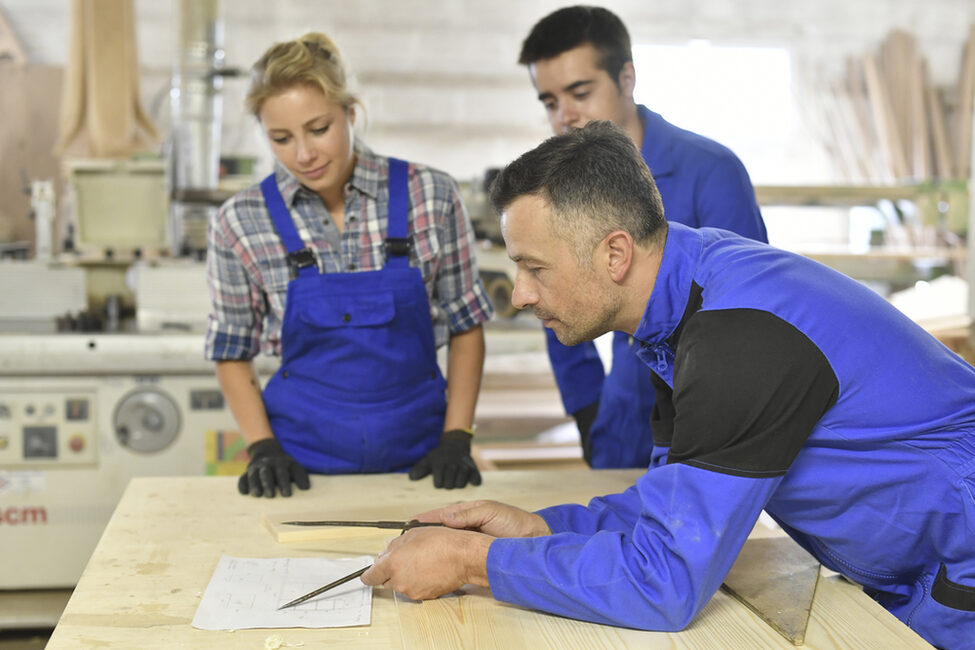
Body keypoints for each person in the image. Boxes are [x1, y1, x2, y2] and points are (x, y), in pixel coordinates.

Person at [360, 123, 975, 650]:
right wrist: (543, 530)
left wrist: (474, 561)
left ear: (615, 254)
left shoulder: (736, 340)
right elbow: (672, 507)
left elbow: (668, 583)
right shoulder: (680, 304)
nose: (518, 294)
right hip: (913, 571)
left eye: (534, 267)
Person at [205, 33, 494, 496]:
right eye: (281, 138)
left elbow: (466, 325)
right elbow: (231, 349)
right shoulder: (240, 221)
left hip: (423, 467)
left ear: (351, 114)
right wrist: (262, 448)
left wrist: (458, 437)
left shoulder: (431, 195)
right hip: (299, 472)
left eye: (319, 129)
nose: (303, 155)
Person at [518, 6, 767, 468]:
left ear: (626, 77)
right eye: (550, 102)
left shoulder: (709, 172)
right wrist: (587, 408)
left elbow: (746, 313)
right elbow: (549, 296)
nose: (565, 116)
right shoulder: (557, 187)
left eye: (580, 92)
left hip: (706, 415)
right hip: (620, 417)